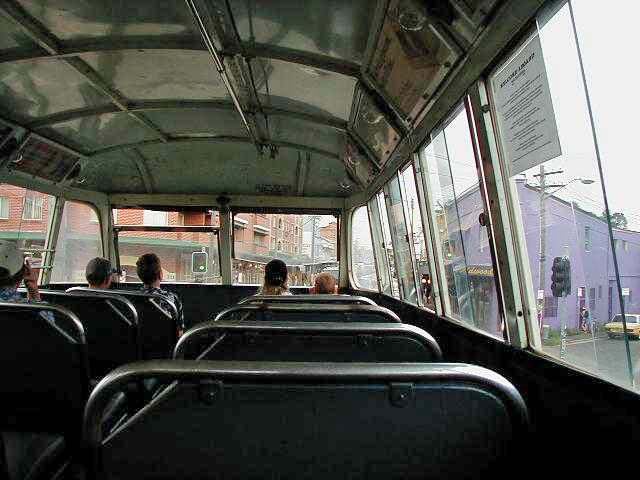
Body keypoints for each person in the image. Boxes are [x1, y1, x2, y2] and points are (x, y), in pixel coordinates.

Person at [136, 253, 184, 332]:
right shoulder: (171, 299)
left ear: (140, 276)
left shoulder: (133, 298)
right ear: (160, 275)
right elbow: (179, 332)